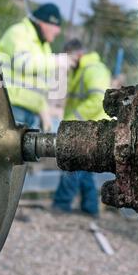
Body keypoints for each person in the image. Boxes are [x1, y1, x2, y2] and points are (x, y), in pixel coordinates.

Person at [52, 39, 111, 217]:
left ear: (78, 54)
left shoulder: (93, 69)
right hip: (87, 127)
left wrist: (72, 120)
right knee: (84, 172)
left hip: (88, 128)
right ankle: (90, 209)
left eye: (68, 57)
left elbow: (97, 100)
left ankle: (61, 206)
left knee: (72, 166)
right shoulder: (83, 69)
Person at [0, 3, 63, 130]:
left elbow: (39, 85)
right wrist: (55, 61)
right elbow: (23, 63)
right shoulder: (19, 32)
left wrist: (44, 111)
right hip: (10, 109)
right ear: (45, 23)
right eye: (57, 26)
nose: (58, 31)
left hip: (29, 114)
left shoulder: (43, 46)